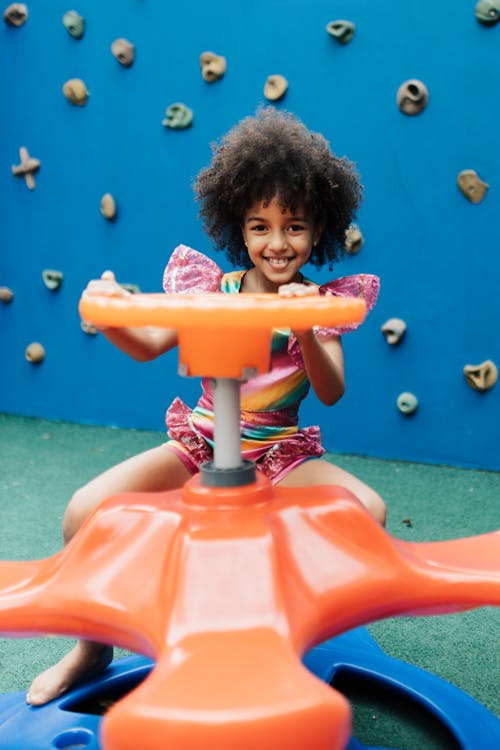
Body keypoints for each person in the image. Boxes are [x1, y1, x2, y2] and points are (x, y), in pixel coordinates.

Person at [26, 107, 386, 706]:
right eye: (260, 225)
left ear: (318, 228)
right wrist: (108, 310)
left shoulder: (320, 302)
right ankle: (92, 649)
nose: (277, 243)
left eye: (294, 226)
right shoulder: (210, 290)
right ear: (238, 229)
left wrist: (305, 328)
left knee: (366, 514)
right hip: (200, 443)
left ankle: (287, 631)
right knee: (82, 512)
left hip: (277, 451)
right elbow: (146, 344)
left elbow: (331, 390)